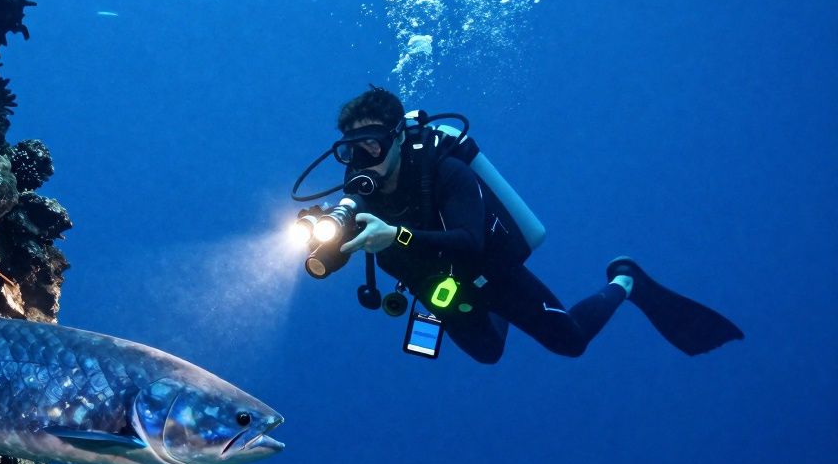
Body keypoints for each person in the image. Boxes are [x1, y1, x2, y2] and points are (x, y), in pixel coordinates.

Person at [310, 87, 741, 363]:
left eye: (373, 143)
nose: (363, 158)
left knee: (570, 343)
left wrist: (398, 235)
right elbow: (337, 255)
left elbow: (468, 240)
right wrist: (325, 243)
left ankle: (626, 281)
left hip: (491, 273)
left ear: (399, 138)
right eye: (352, 149)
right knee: (488, 353)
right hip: (436, 287)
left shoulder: (446, 173)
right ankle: (499, 315)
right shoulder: (356, 191)